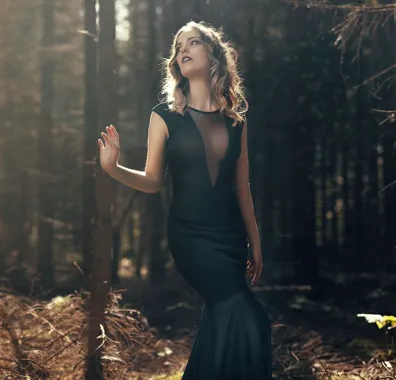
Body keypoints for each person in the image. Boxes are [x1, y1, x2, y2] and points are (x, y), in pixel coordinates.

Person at [97, 20, 272, 379]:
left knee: (226, 316)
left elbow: (243, 189)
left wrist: (255, 242)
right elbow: (151, 181)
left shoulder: (236, 121)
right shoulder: (164, 116)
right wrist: (113, 168)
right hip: (191, 236)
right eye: (179, 48)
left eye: (193, 43)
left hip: (230, 238)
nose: (183, 51)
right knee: (248, 316)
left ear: (214, 55)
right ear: (176, 64)